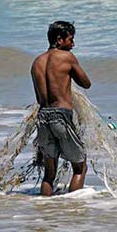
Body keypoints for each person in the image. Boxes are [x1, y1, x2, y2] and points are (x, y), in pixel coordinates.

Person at [31, 21, 91, 196]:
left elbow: (39, 96)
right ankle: (72, 211)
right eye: (71, 40)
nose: (73, 44)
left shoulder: (37, 62)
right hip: (61, 116)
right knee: (80, 167)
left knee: (49, 174)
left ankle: (46, 211)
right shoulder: (66, 57)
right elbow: (86, 83)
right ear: (59, 39)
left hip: (42, 118)